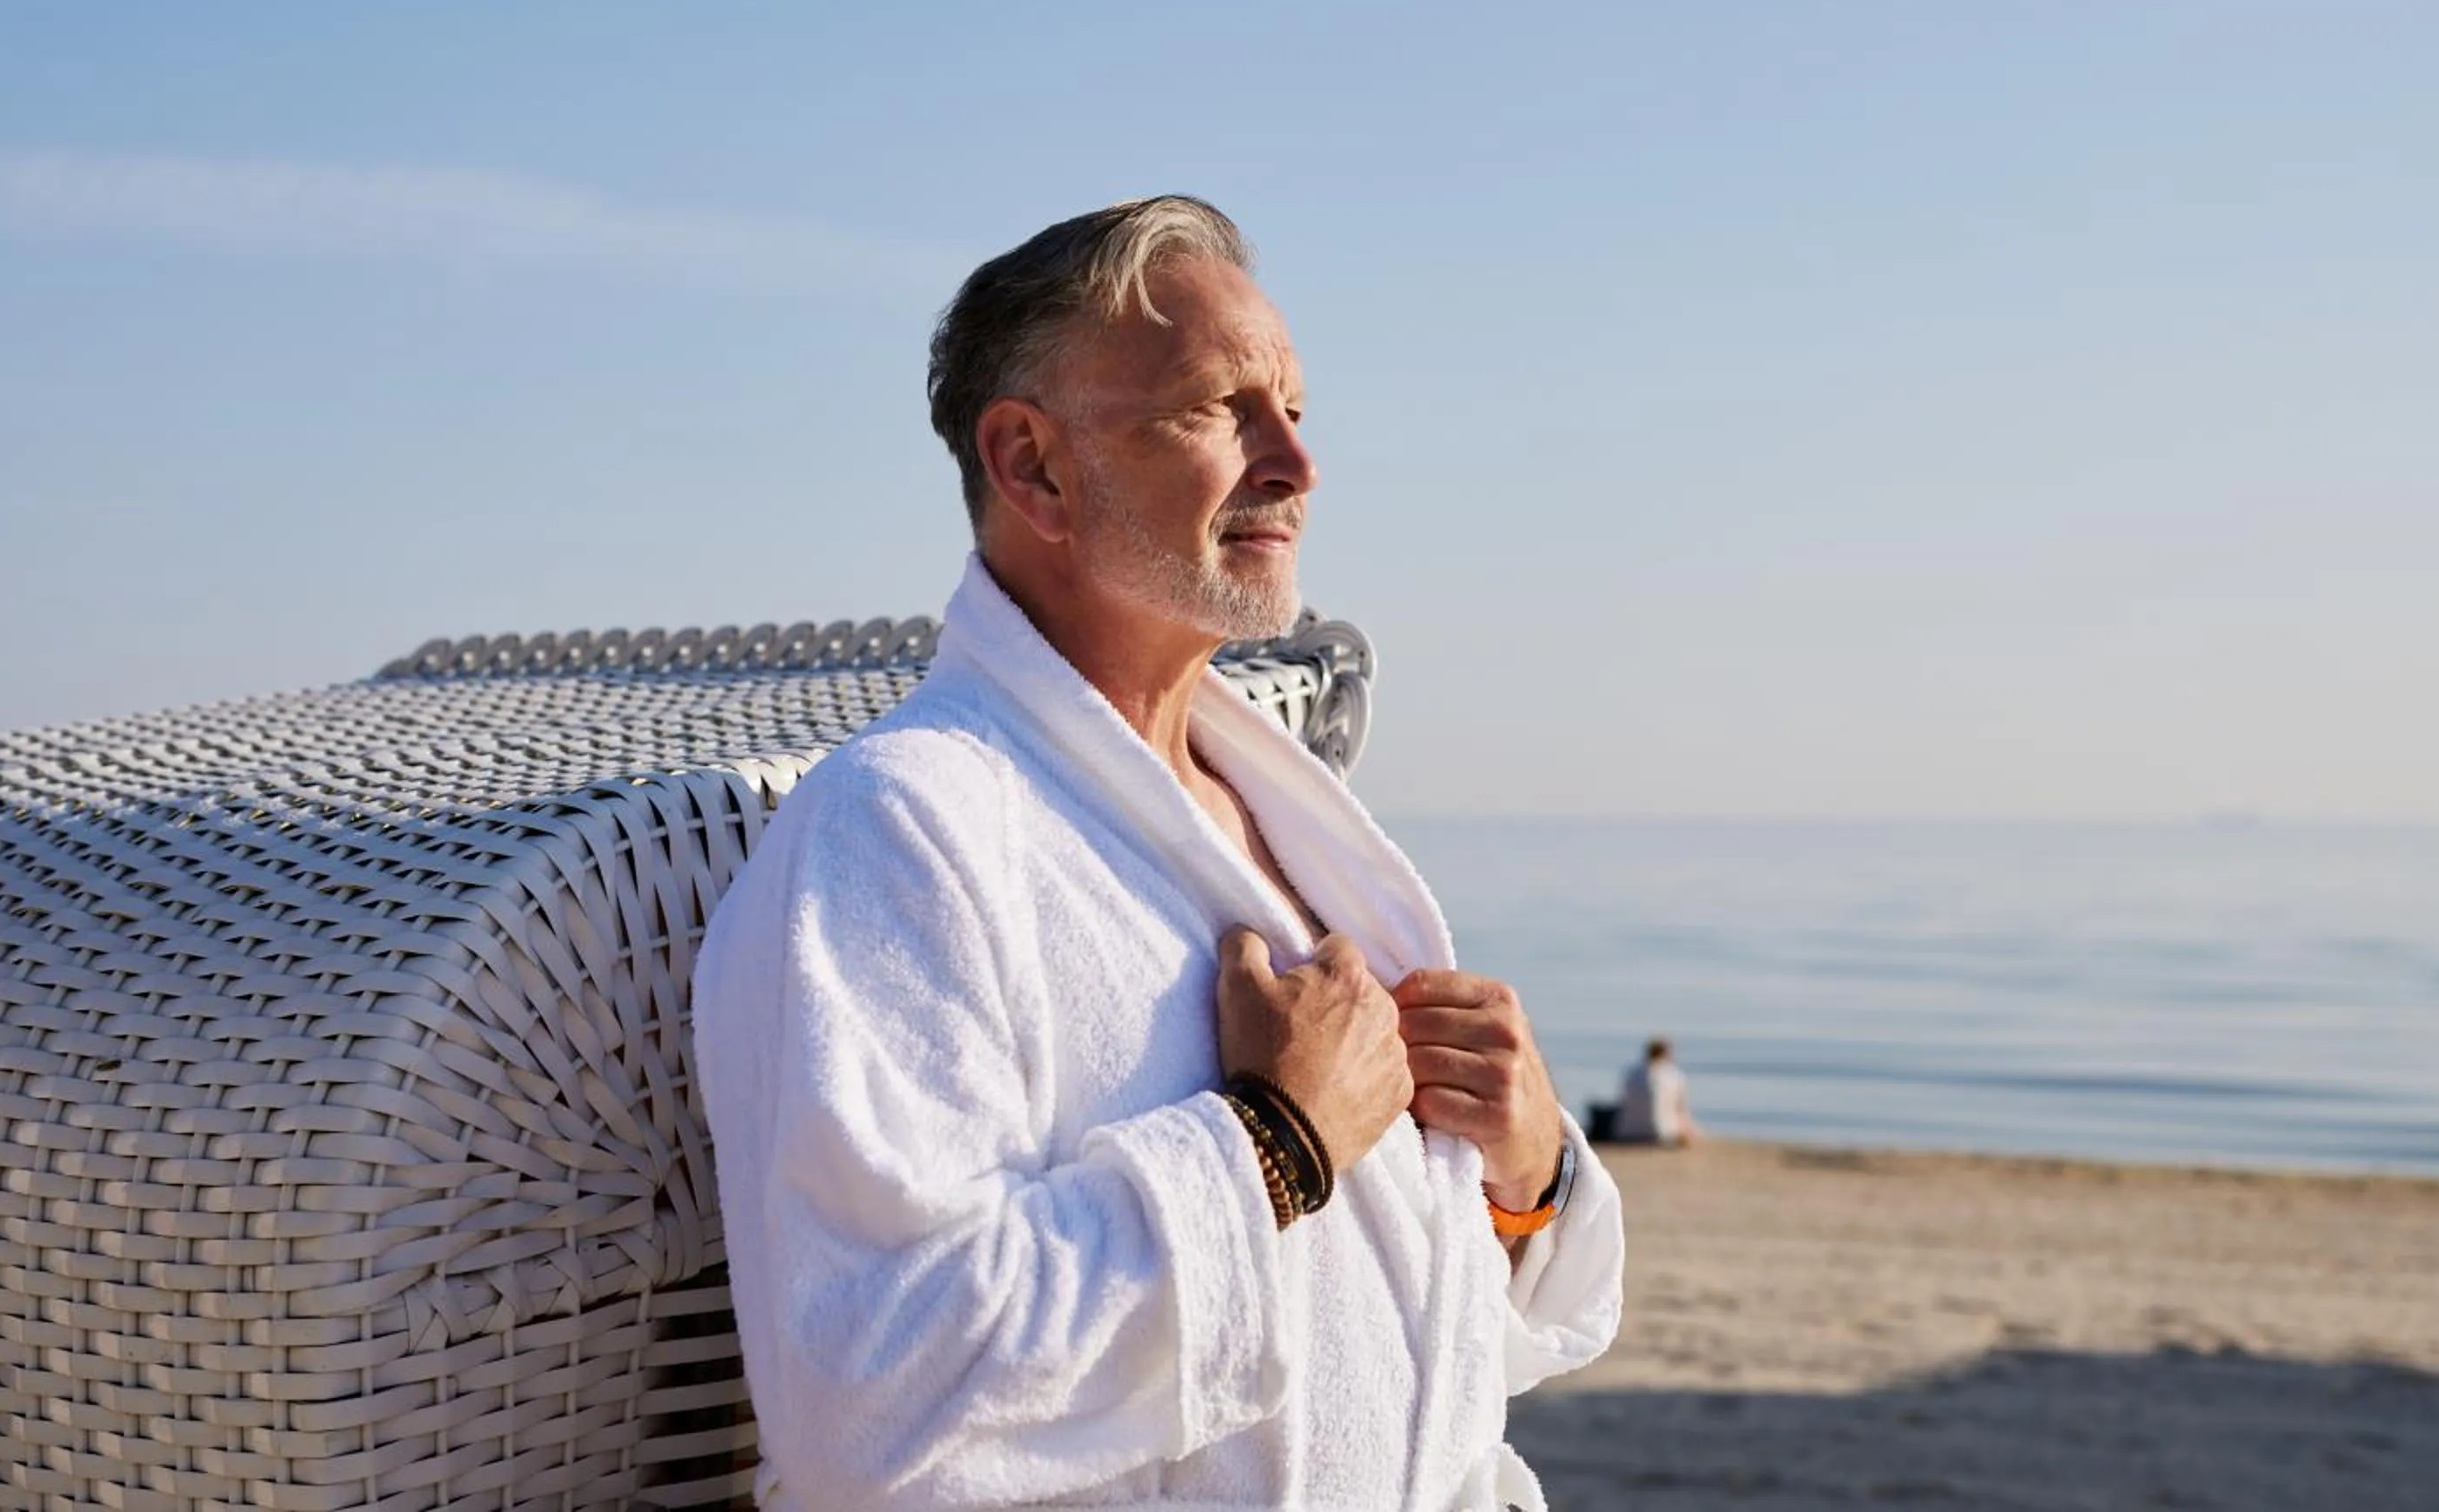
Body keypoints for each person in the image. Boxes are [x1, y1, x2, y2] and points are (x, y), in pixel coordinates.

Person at [693, 197, 1622, 1510]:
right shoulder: (905, 827)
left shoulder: (1282, 816)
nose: (1295, 463)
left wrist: (1522, 1181)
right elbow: (875, 1391)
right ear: (1033, 467)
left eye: (1295, 408)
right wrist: (1277, 1139)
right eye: (1219, 408)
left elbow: (1403, 1350)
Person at [1615, 1038, 1699, 1147]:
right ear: (1667, 1054)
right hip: (1659, 1133)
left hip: (1626, 1131)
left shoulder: (1630, 1073)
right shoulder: (1674, 1076)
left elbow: (1624, 1101)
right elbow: (1681, 1111)